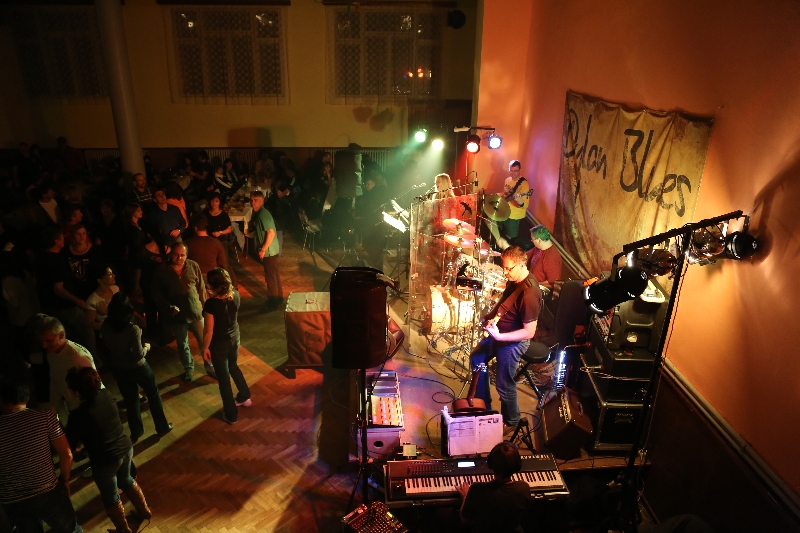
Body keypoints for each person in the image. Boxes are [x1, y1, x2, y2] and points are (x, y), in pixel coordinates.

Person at [64, 367, 151, 533]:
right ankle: (144, 511)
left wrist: (79, 453)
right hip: (125, 448)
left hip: (105, 461)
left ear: (77, 392)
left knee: (110, 497)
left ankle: (123, 530)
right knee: (126, 480)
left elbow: (70, 444)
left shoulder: (77, 415)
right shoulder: (107, 395)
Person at [0, 372, 84, 533]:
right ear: (27, 397)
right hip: (48, 492)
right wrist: (65, 480)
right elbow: (66, 454)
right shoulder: (45, 417)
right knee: (71, 530)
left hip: (13, 501)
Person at [469, 246, 541, 428]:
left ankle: (512, 421)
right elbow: (505, 304)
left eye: (509, 269)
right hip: (498, 334)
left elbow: (529, 332)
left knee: (504, 384)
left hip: (514, 343)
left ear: (522, 264)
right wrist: (490, 317)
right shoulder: (514, 281)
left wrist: (500, 337)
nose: (505, 273)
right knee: (477, 358)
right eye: (504, 268)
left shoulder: (530, 293)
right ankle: (483, 406)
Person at [102, 292, 173, 442]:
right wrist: (146, 347)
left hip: (119, 368)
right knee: (153, 395)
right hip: (138, 368)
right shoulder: (132, 328)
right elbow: (138, 355)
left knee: (131, 400)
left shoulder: (106, 325)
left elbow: (108, 347)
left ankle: (136, 432)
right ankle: (162, 426)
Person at [151, 243, 214, 382]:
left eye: (182, 255)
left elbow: (201, 288)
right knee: (183, 345)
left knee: (205, 341)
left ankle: (210, 366)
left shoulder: (193, 266)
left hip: (196, 312)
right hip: (177, 316)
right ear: (171, 254)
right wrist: (168, 308)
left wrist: (205, 308)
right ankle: (189, 369)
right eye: (176, 254)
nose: (179, 258)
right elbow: (157, 295)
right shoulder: (161, 270)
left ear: (186, 255)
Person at [35, 228, 95, 356]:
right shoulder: (56, 260)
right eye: (61, 237)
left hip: (47, 305)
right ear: (57, 241)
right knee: (86, 331)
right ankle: (92, 360)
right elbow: (58, 288)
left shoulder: (40, 257)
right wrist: (76, 300)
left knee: (64, 335)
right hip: (64, 306)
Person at [202, 268, 251, 425]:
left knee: (223, 379)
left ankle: (231, 415)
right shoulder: (235, 294)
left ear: (213, 285)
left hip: (219, 344)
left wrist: (205, 348)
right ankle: (244, 396)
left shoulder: (211, 304)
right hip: (235, 337)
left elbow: (208, 330)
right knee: (233, 366)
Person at [457, 442, 531, 532]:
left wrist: (465, 497)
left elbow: (465, 520)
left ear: (490, 464)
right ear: (517, 465)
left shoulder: (477, 489)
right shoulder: (524, 488)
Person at [40, 316, 98, 413]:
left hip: (87, 409)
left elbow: (93, 388)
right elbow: (55, 382)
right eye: (42, 341)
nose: (44, 345)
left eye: (49, 340)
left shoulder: (78, 356)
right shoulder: (51, 353)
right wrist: (53, 410)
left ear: (61, 335)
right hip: (74, 408)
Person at [248, 190, 283, 311]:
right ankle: (278, 298)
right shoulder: (261, 213)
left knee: (270, 277)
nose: (253, 202)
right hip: (271, 249)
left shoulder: (263, 214)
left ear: (262, 201)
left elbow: (271, 233)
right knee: (274, 274)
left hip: (269, 251)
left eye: (256, 200)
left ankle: (273, 303)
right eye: (251, 200)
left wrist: (263, 249)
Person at [495, 160, 530, 249]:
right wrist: (502, 195)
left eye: (515, 171)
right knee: (499, 235)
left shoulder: (524, 184)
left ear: (519, 170)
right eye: (511, 170)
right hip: (504, 212)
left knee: (511, 240)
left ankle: (510, 254)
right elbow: (505, 195)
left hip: (514, 216)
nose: (513, 173)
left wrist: (520, 201)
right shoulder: (507, 180)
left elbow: (525, 205)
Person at [185, 214, 230, 279]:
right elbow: (222, 263)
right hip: (212, 278)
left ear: (195, 228)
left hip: (195, 277)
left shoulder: (188, 243)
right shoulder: (216, 242)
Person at [526, 225, 563, 290]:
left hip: (537, 290)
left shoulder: (551, 258)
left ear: (539, 241)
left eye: (532, 239)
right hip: (529, 281)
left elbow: (553, 283)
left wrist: (534, 284)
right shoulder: (539, 248)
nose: (531, 240)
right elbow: (525, 256)